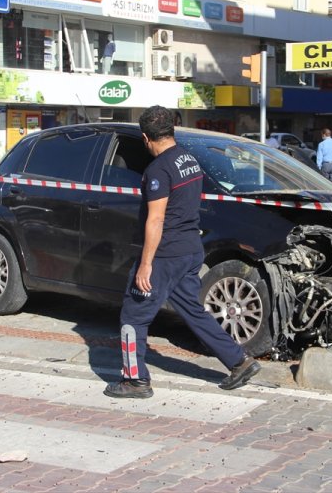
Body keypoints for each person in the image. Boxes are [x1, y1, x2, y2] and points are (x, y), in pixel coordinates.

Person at [104, 105, 261, 399]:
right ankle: (239, 362)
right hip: (190, 248)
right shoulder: (189, 158)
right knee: (193, 310)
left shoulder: (159, 169)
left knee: (133, 317)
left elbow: (156, 219)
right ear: (172, 129)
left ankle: (134, 380)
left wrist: (145, 264)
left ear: (146, 138)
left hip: (166, 254)